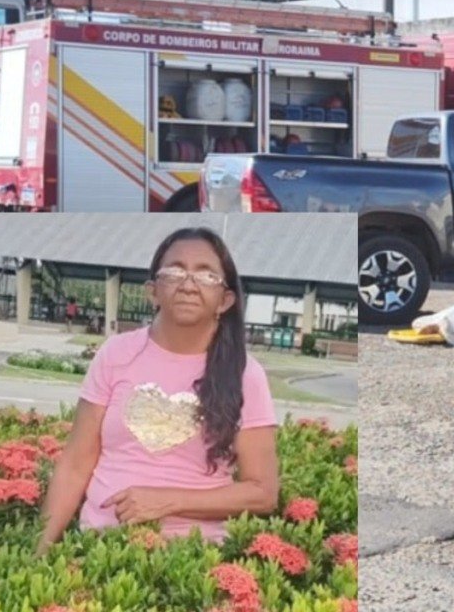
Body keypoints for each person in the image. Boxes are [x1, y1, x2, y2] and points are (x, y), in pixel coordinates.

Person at [36, 228, 278, 553]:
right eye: (175, 271)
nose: (189, 284)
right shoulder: (116, 354)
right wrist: (39, 550)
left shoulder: (245, 373)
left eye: (206, 275)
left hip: (193, 559)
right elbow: (75, 465)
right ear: (153, 292)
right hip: (102, 550)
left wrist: (167, 501)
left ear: (225, 300)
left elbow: (262, 493)